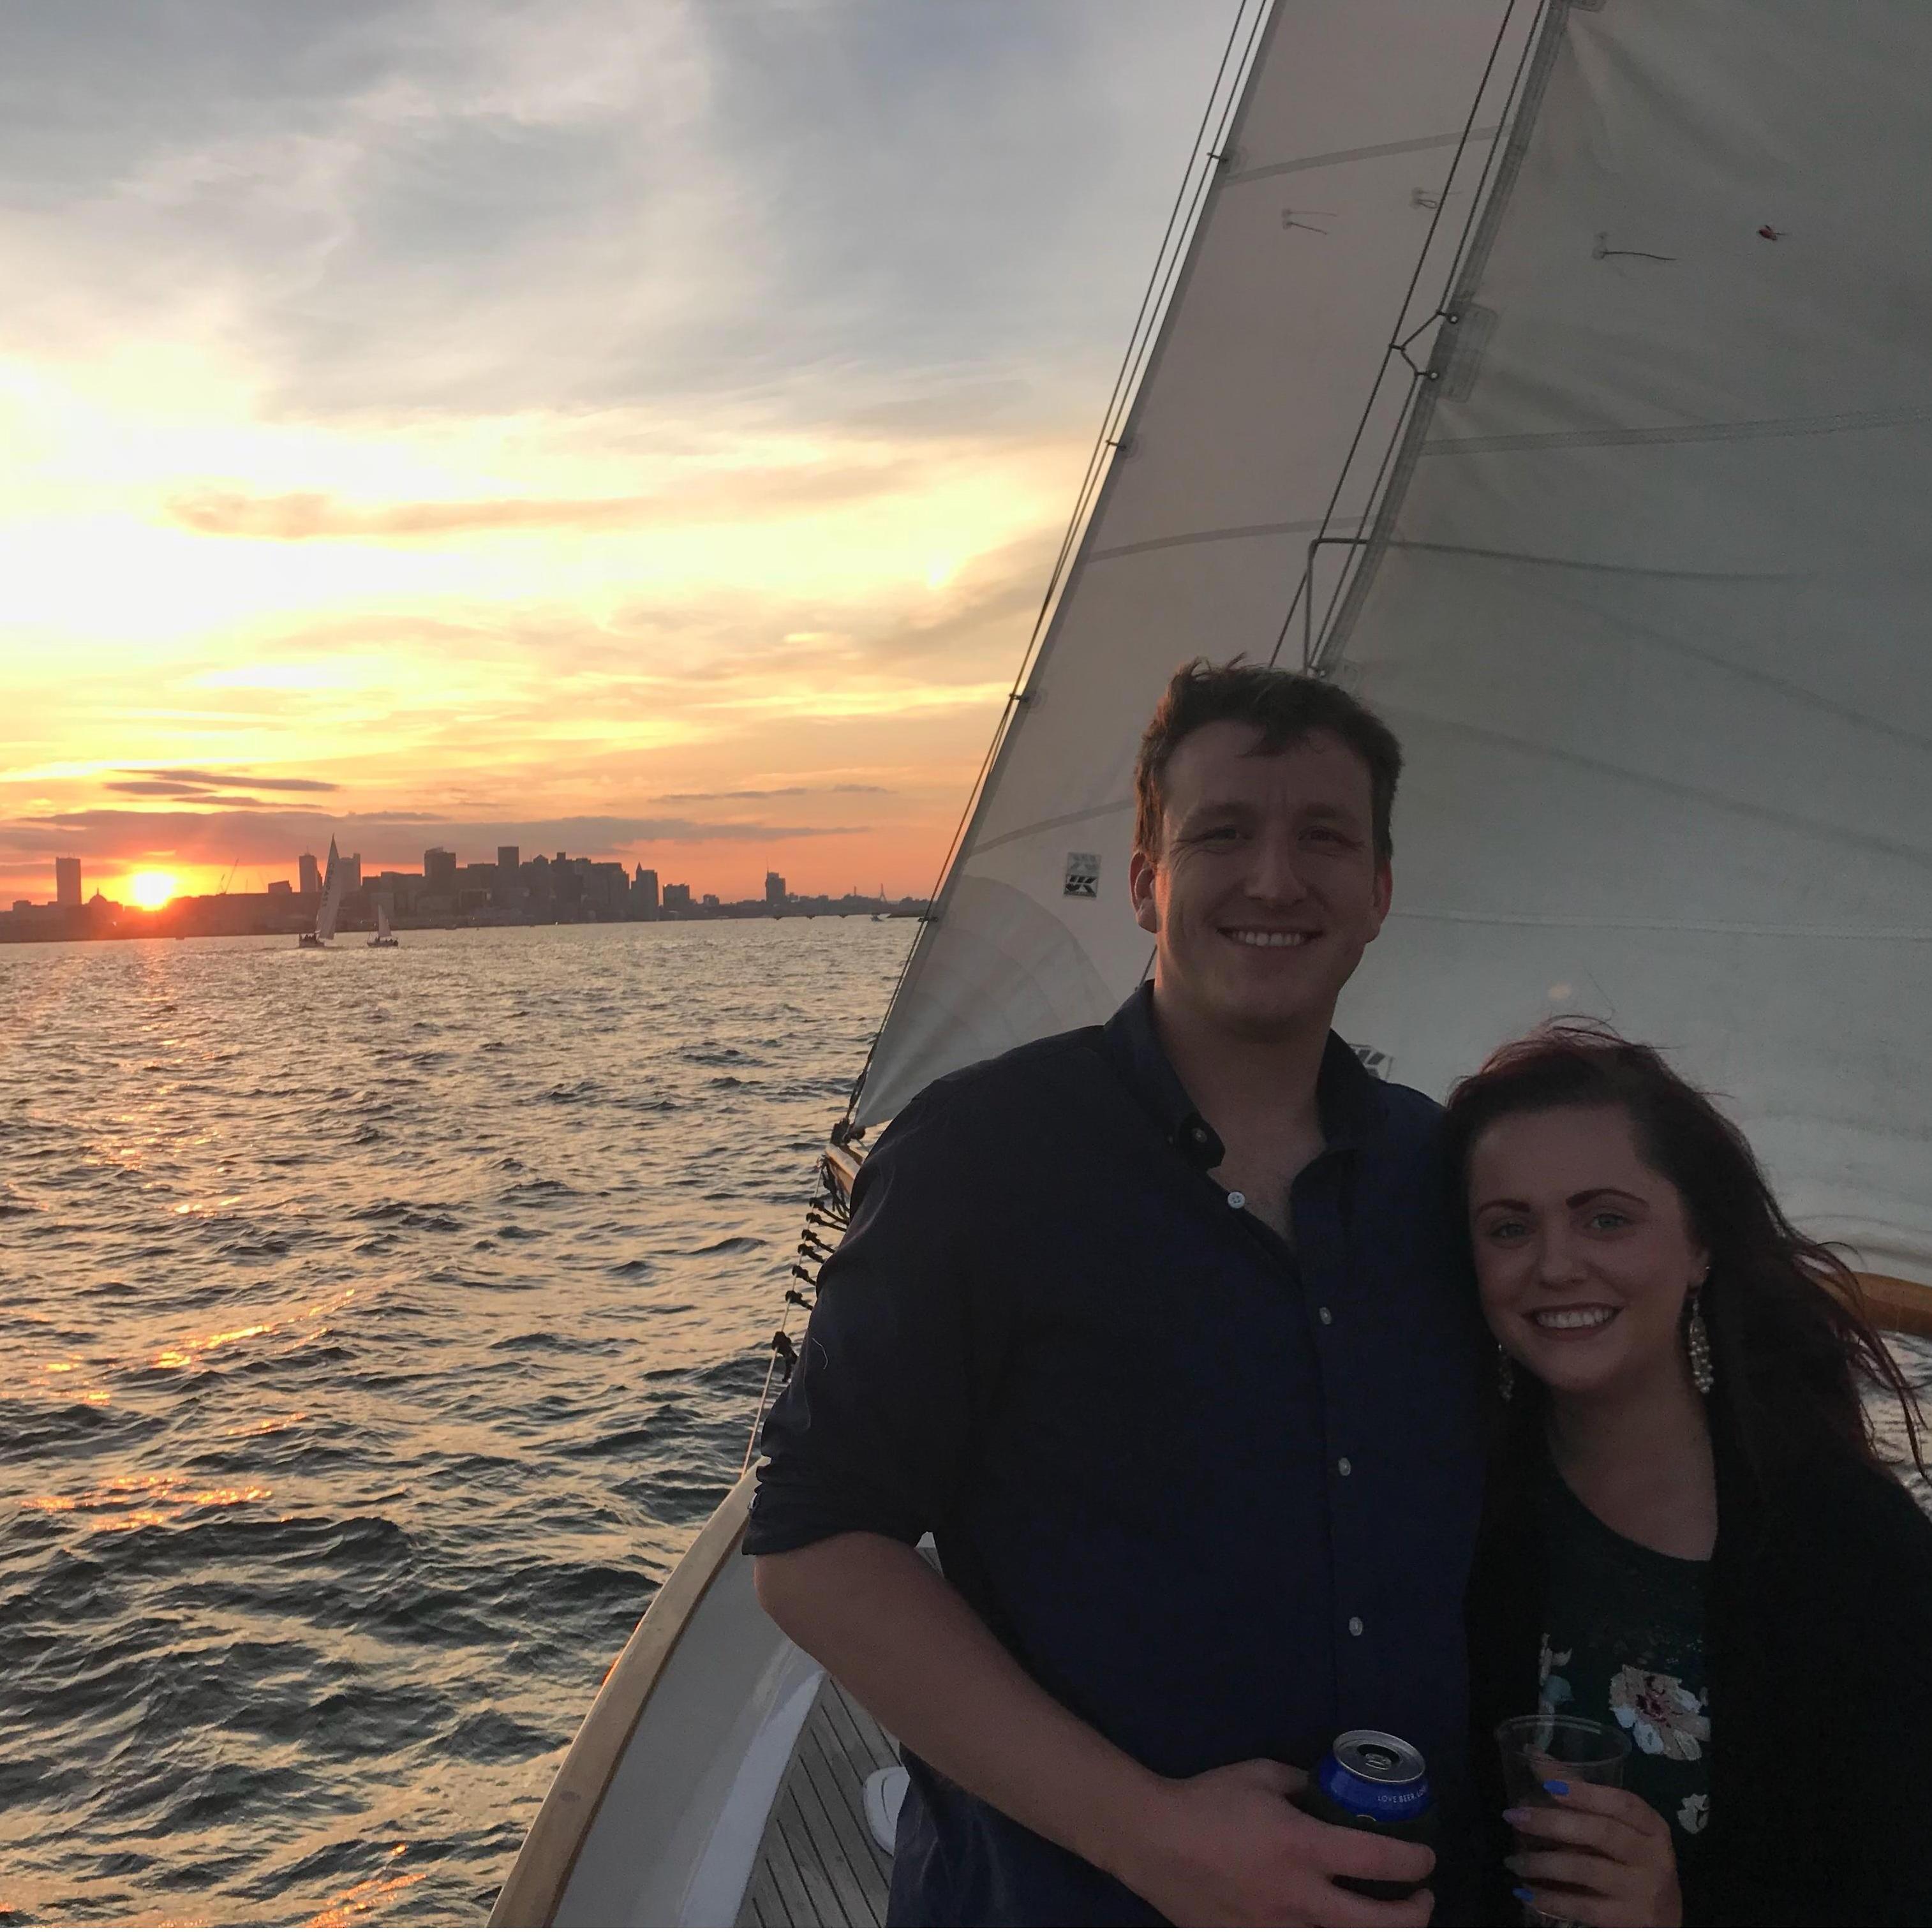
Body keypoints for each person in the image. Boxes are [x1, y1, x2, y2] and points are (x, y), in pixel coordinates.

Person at [743, 659, 1489, 1926]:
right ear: (1145, 879)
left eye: (1321, 837)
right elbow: (814, 1544)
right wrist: (1154, 1838)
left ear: (1377, 891)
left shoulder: (1442, 1175)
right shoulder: (978, 1157)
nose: (1270, 877)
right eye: (1221, 834)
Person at [1450, 1023, 1932, 1926]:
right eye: (1509, 1228)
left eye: (1607, 1219)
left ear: (1701, 1245)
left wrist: (1683, 1913)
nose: (1556, 1265)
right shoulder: (1447, 1510)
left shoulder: (1854, 1551)